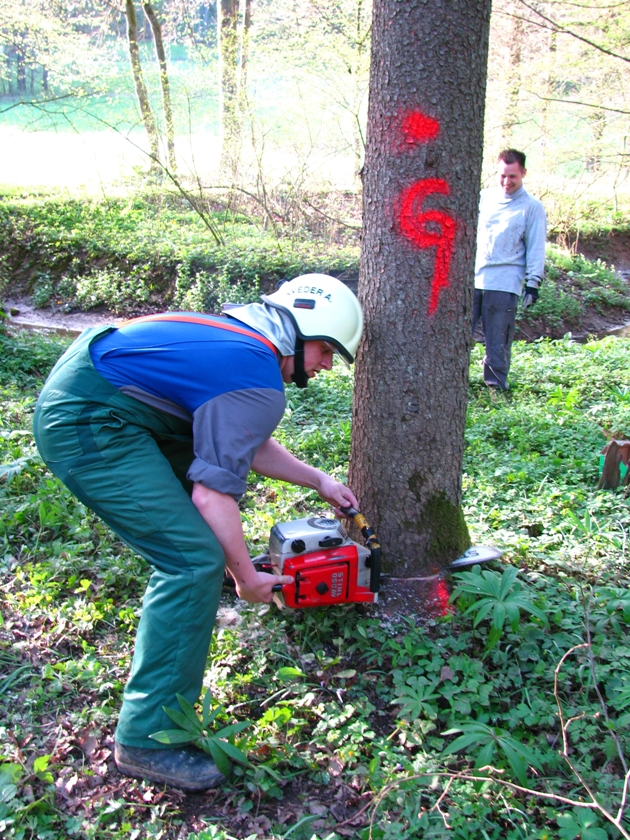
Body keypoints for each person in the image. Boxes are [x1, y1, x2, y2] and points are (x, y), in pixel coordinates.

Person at [33, 274, 363, 792]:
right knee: (192, 562)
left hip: (108, 397)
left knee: (205, 521)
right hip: (89, 419)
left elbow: (241, 439)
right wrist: (245, 576)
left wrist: (317, 479)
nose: (326, 365)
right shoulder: (257, 373)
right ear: (300, 334)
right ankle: (147, 740)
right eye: (325, 351)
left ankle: (205, 593)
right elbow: (212, 495)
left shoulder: (239, 341)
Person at [472, 149, 547, 390]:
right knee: (458, 336)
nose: (506, 181)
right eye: (502, 175)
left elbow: (536, 247)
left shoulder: (531, 207)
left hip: (505, 283)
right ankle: (453, 384)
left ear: (523, 173)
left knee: (498, 341)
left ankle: (495, 388)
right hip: (473, 280)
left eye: (512, 176)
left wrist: (533, 283)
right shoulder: (483, 198)